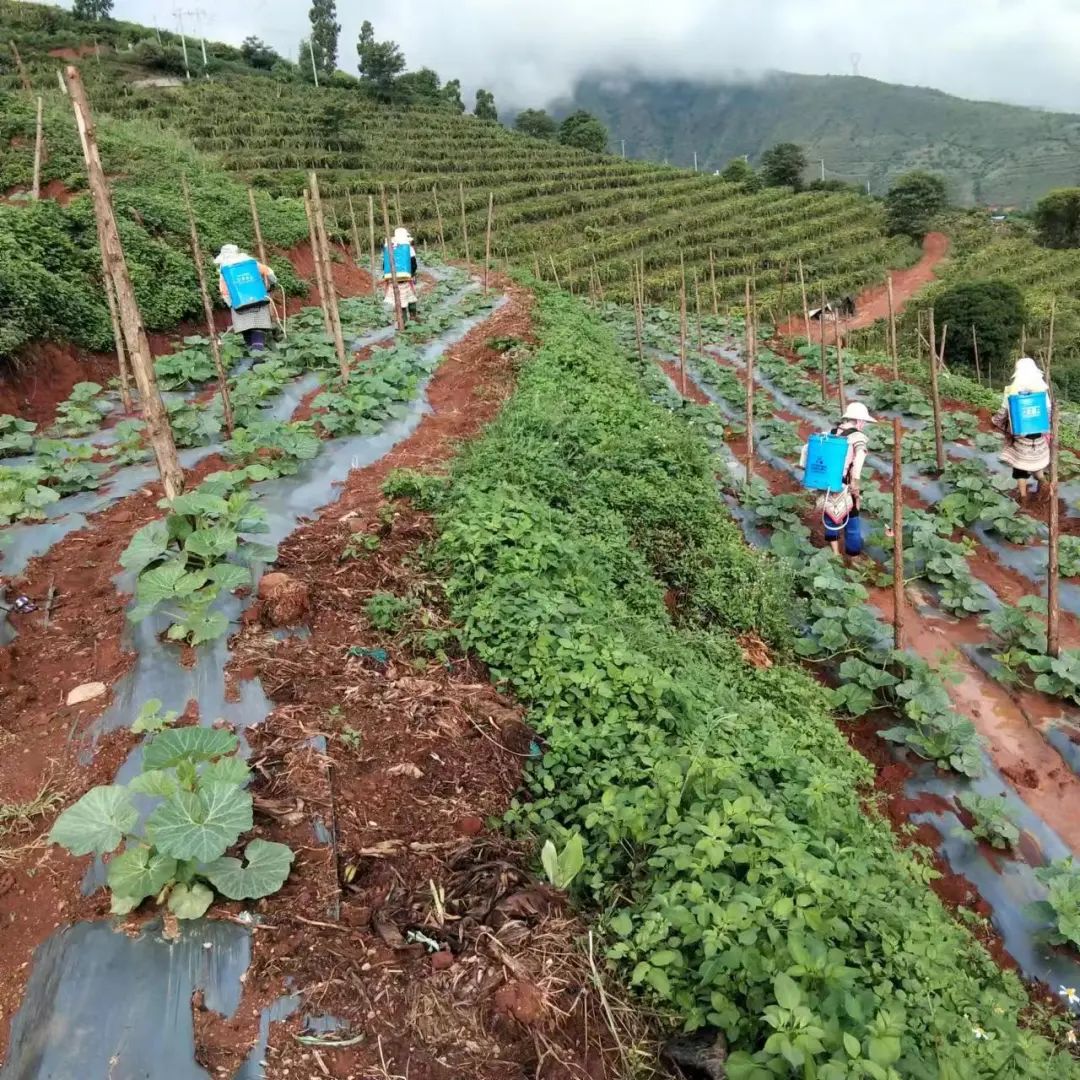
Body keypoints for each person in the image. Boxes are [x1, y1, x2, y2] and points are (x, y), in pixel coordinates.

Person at [801, 401, 876, 557]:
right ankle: (853, 556)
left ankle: (835, 553)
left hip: (827, 483)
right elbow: (861, 454)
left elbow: (806, 449)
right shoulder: (857, 436)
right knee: (853, 522)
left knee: (830, 519)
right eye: (865, 422)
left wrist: (805, 466)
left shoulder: (831, 432)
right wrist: (856, 480)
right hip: (845, 485)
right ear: (860, 421)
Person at [993, 356, 1051, 501]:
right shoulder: (1042, 391)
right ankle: (1044, 482)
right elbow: (1049, 414)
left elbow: (1002, 414)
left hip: (1021, 438)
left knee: (1020, 467)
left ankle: (1023, 497)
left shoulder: (1012, 392)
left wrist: (995, 421)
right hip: (1039, 438)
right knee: (1037, 464)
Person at [215, 244, 278, 352]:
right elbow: (269, 273)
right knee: (258, 327)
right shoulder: (250, 262)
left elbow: (224, 292)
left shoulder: (225, 269)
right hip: (258, 299)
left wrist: (231, 304)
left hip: (238, 303)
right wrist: (272, 283)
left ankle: (253, 354)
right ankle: (258, 354)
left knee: (246, 329)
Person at [383, 226, 419, 322]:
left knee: (399, 301)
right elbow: (414, 264)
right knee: (411, 298)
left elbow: (384, 264)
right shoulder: (408, 249)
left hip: (392, 279)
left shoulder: (389, 247)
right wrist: (412, 274)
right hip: (406, 279)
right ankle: (412, 317)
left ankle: (402, 321)